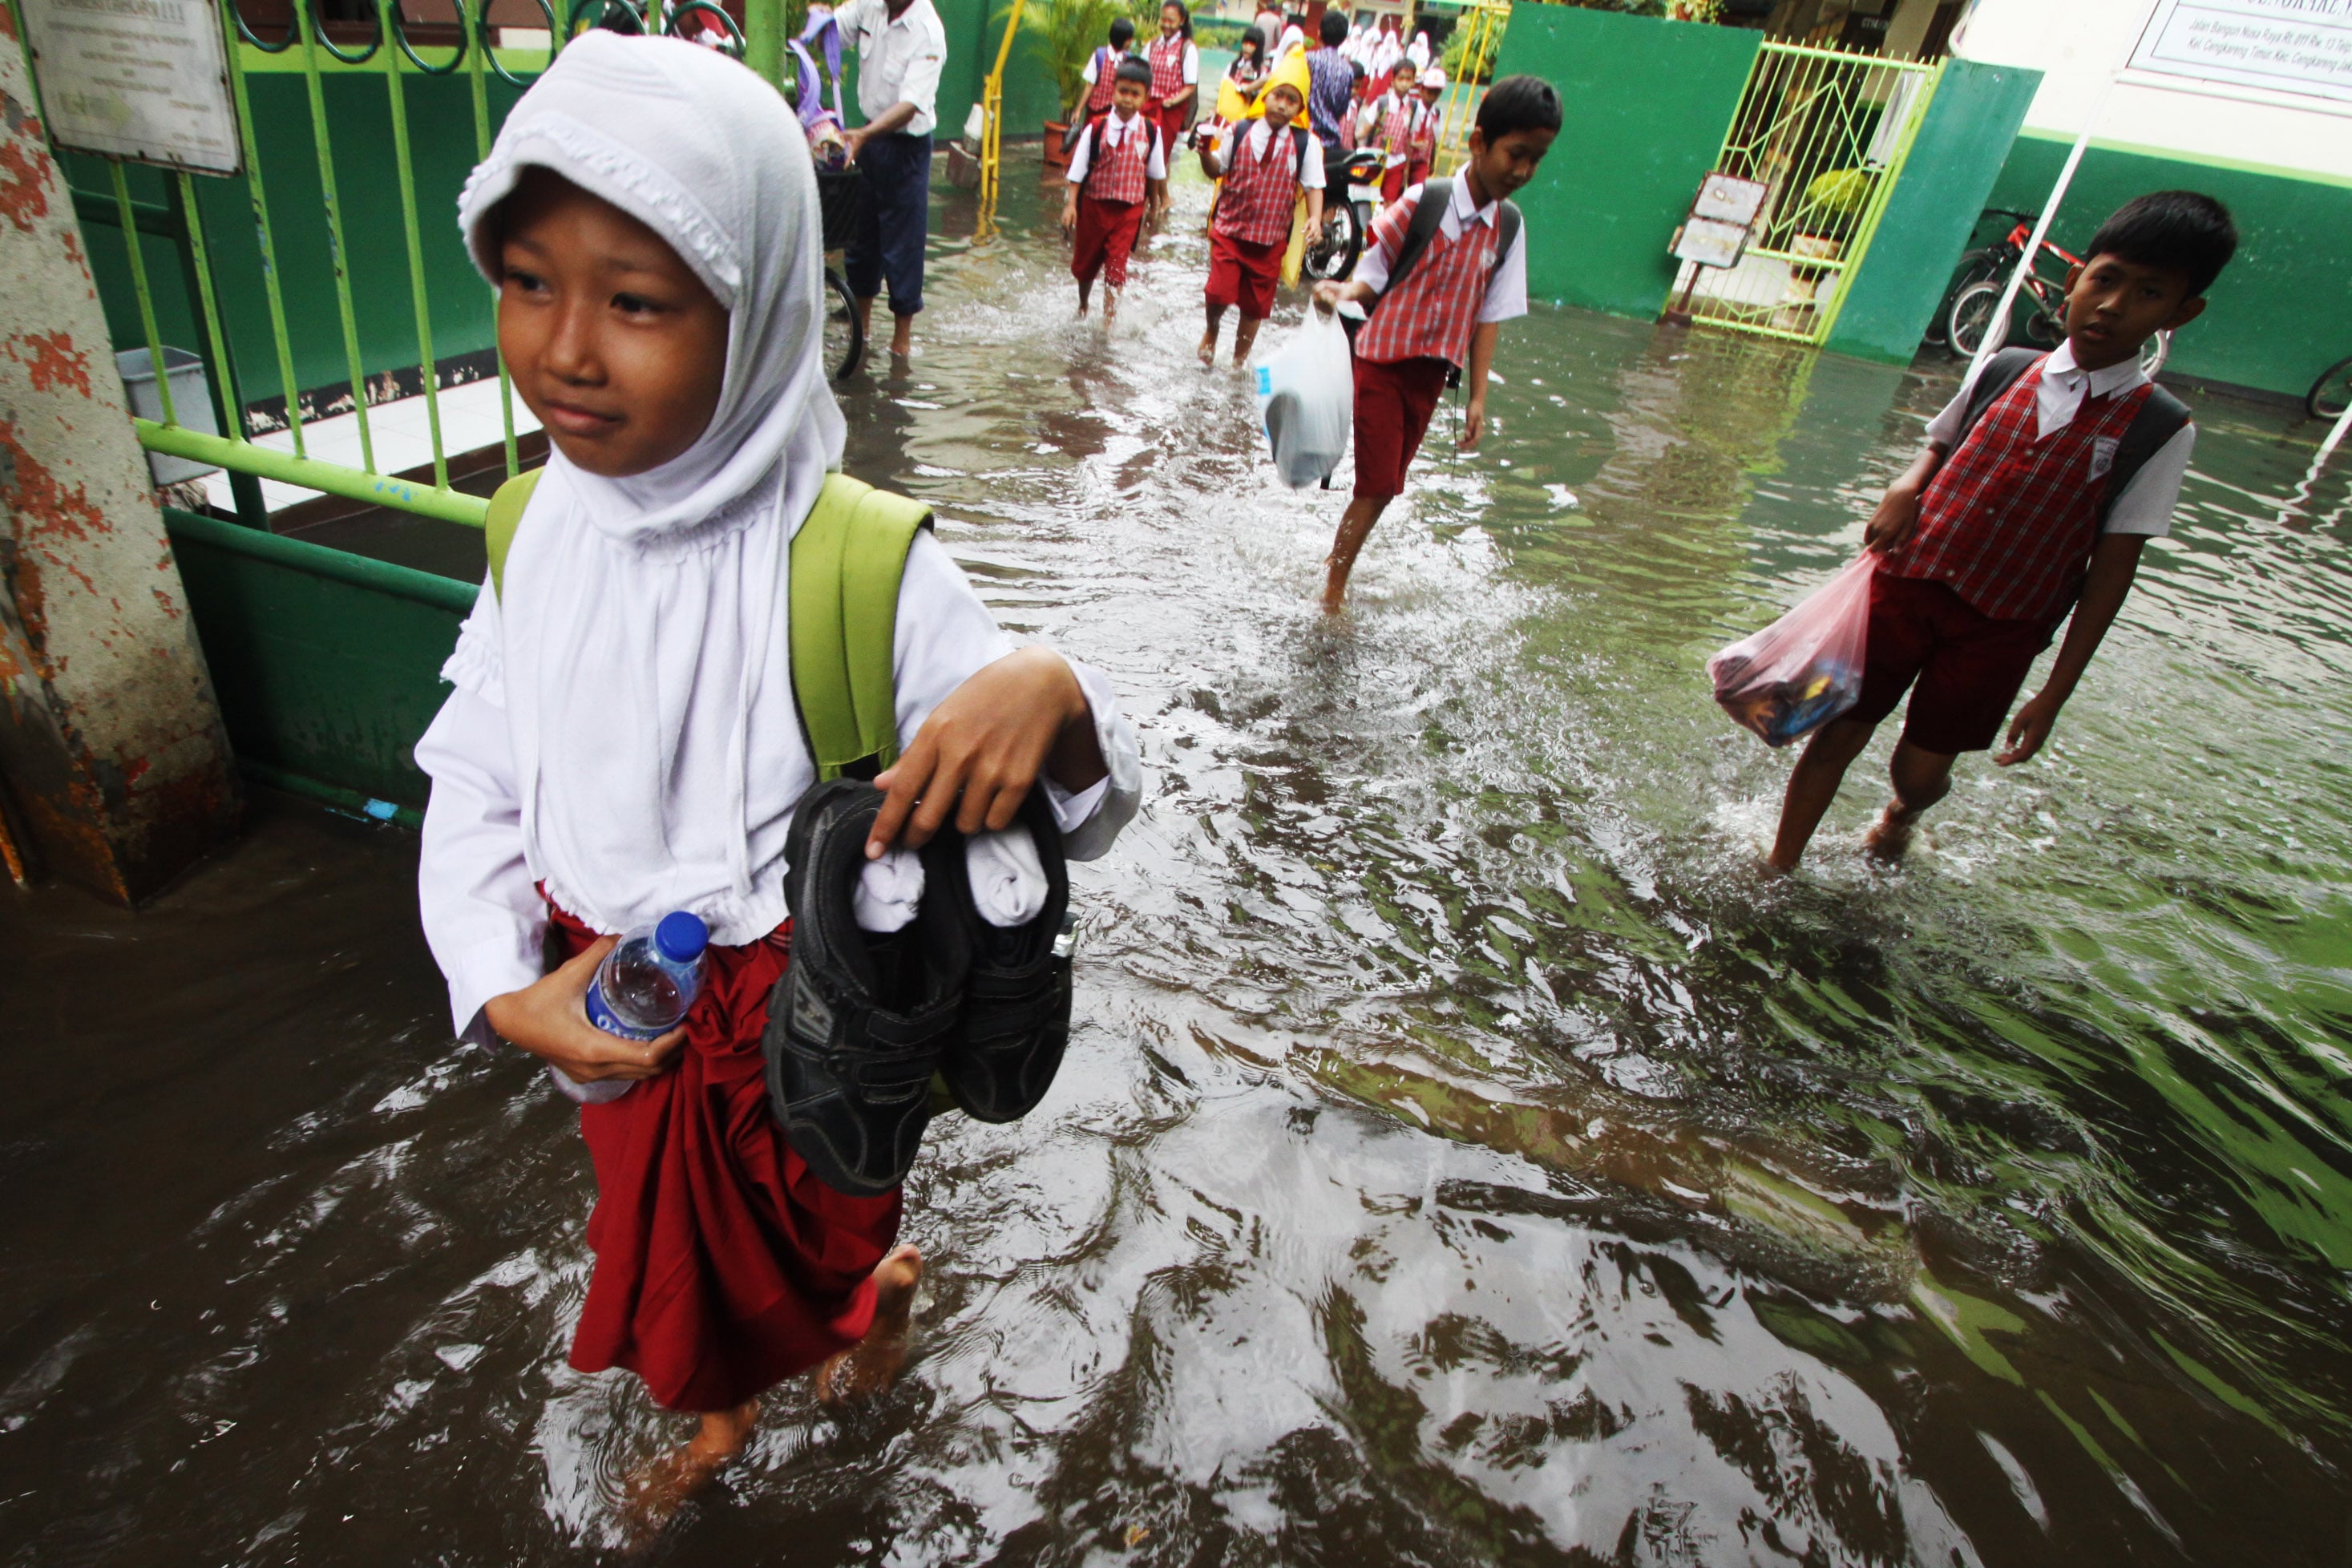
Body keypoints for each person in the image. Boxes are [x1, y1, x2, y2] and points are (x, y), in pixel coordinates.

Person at [419, 31, 1142, 1531]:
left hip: (805, 1027)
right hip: (614, 997)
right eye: (526, 280)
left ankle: (851, 1310)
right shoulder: (527, 531)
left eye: (633, 302)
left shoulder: (859, 562)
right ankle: (746, 1389)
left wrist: (1051, 689)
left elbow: (1072, 812)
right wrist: (501, 984)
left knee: (823, 1220)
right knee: (663, 1235)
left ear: (750, 313)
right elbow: (476, 776)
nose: (561, 347)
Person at [1765, 192, 2236, 870]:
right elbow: (1940, 442)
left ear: (2181, 313)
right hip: (1906, 585)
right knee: (1836, 733)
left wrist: (2053, 693)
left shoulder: (2159, 428)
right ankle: (1779, 866)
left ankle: (1905, 812)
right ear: (2074, 279)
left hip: (2003, 626)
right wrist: (1906, 486)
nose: (2112, 305)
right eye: (2104, 280)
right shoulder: (2007, 366)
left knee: (1920, 772)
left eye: (2148, 293)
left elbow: (2111, 571)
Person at [1311, 74, 1559, 612]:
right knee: (1376, 485)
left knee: (1388, 487)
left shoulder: (1509, 229)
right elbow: (1372, 274)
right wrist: (1342, 289)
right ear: (1478, 143)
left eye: (1536, 159)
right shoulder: (1426, 202)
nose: (1523, 171)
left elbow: (1488, 315)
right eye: (1515, 154)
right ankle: (1332, 590)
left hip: (1431, 378)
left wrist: (1477, 397)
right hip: (1380, 361)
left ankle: (1336, 572)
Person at [836, 0, 947, 360]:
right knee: (861, 237)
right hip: (866, 140)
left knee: (904, 245)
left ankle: (901, 345)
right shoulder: (870, 6)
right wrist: (819, 22)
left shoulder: (928, 32)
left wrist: (865, 135)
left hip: (906, 148)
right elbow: (833, 31)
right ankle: (861, 331)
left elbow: (911, 104)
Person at [1198, 78, 1324, 369]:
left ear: (1300, 109)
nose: (1282, 104)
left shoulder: (1306, 145)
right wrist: (1205, 153)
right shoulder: (1240, 131)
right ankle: (1212, 330)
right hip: (1230, 230)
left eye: (1292, 100)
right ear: (1265, 97)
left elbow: (1314, 186)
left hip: (1270, 240)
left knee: (1254, 307)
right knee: (1218, 291)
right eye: (1278, 95)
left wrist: (1316, 218)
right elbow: (1218, 169)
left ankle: (1238, 362)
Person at [1062, 58, 1168, 321]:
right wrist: (1071, 205)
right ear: (1113, 90)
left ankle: (1109, 319)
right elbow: (1076, 172)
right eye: (1123, 91)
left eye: (1135, 94)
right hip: (1094, 207)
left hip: (1128, 212)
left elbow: (1155, 174)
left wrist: (1154, 207)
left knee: (1116, 268)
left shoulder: (1151, 131)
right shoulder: (1096, 127)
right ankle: (1084, 303)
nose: (1127, 100)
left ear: (1145, 98)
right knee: (1085, 266)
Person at [1145, 0, 1199, 207]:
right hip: (1148, 106)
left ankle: (1156, 201)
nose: (1166, 24)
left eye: (1171, 20)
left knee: (1160, 154)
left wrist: (1171, 101)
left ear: (1182, 21)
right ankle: (1162, 199)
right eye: (1163, 19)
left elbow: (1190, 85)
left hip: (1171, 110)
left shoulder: (1187, 48)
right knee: (1151, 154)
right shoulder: (1152, 45)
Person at [1362, 65, 1426, 202]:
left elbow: (1408, 138)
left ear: (1413, 81)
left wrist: (1407, 168)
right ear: (1393, 80)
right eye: (1401, 78)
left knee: (1390, 201)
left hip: (1398, 160)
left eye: (1408, 79)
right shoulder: (1381, 103)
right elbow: (1366, 130)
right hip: (1377, 157)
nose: (1404, 83)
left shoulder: (1414, 107)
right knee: (1370, 198)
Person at [1304, 8, 1356, 150]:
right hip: (1330, 142)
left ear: (1319, 32)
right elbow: (1342, 107)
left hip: (1304, 137)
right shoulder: (1348, 70)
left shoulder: (1308, 59)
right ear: (1343, 39)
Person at [1077, 14, 1137, 120]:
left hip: (1118, 114)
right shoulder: (1099, 56)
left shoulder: (1128, 59)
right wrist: (1079, 110)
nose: (1131, 42)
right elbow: (1090, 85)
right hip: (1096, 111)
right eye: (1129, 39)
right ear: (1121, 39)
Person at [1408, 65, 1445, 190]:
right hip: (1405, 159)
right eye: (1430, 91)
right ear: (1421, 89)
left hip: (1422, 161)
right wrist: (1412, 144)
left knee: (1419, 191)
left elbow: (1434, 138)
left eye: (1437, 92)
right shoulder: (1412, 108)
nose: (1432, 95)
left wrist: (1432, 161)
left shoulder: (1437, 114)